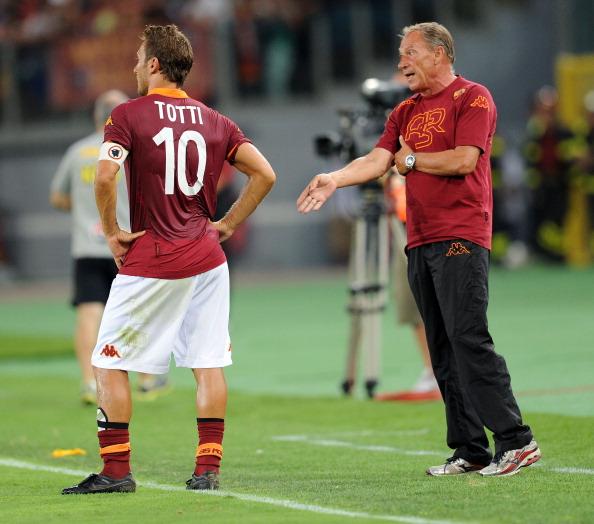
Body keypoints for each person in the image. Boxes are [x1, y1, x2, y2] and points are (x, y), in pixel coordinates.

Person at [297, 22, 540, 477]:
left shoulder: (473, 97)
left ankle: (517, 440)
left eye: (410, 53)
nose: (400, 62)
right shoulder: (405, 110)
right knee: (442, 348)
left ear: (440, 53)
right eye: (400, 54)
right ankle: (470, 448)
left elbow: (464, 159)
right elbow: (377, 159)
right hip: (420, 239)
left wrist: (410, 160)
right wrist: (335, 179)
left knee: (469, 339)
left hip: (461, 236)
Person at [62, 24, 275, 495]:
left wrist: (113, 232)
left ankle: (116, 472)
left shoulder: (127, 114)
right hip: (207, 256)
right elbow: (264, 173)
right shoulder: (216, 120)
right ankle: (207, 471)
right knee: (207, 361)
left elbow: (103, 179)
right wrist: (228, 224)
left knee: (108, 360)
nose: (135, 64)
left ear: (155, 64)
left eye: (140, 57)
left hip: (153, 257)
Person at [50, 90, 169, 405]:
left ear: (96, 115)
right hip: (130, 244)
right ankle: (146, 379)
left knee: (90, 313)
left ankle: (90, 383)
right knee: (139, 312)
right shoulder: (138, 149)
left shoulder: (78, 152)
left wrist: (87, 211)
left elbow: (58, 198)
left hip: (88, 247)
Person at [375, 171, 440, 402]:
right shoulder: (389, 150)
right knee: (411, 306)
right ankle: (431, 369)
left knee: (440, 303)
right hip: (403, 231)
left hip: (433, 230)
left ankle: (447, 368)